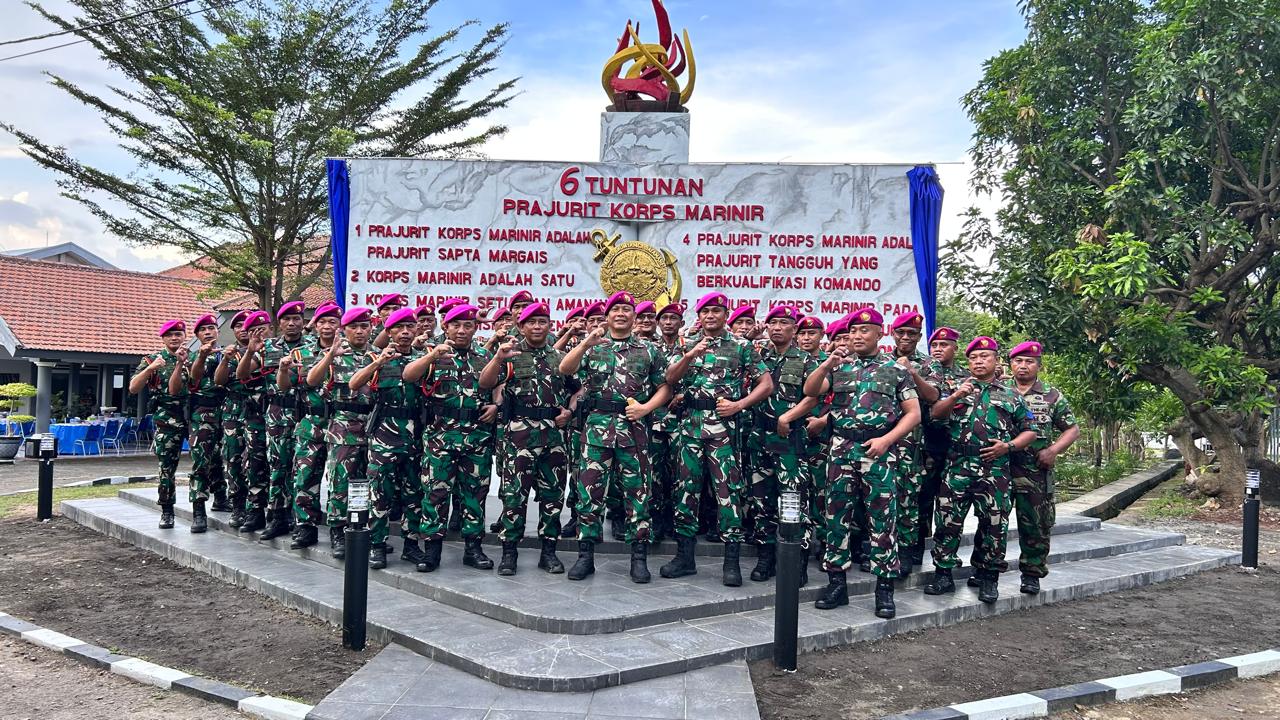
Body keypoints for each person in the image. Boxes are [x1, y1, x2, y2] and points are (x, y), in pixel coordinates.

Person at [804, 308, 921, 619]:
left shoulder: (895, 370)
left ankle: (884, 590)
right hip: (841, 449)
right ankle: (836, 585)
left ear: (880, 334)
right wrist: (827, 363)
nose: (857, 336)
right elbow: (810, 391)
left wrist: (887, 440)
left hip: (877, 451)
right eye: (853, 330)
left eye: (864, 330)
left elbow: (913, 414)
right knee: (836, 516)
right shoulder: (840, 367)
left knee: (882, 520)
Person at [557, 291, 672, 582]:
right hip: (596, 431)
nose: (621, 314)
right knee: (589, 495)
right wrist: (585, 342)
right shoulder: (593, 345)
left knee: (638, 495)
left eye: (626, 310)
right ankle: (585, 557)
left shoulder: (649, 350)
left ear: (634, 316)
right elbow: (564, 369)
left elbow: (665, 387)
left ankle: (639, 558)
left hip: (634, 432)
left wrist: (646, 408)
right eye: (615, 310)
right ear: (607, 317)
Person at [661, 291, 773, 587]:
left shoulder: (741, 346)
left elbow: (766, 384)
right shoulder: (686, 343)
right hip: (689, 427)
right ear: (698, 316)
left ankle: (731, 562)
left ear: (725, 315)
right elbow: (670, 378)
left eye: (716, 311)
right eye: (705, 311)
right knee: (685, 490)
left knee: (728, 492)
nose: (710, 316)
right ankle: (685, 558)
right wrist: (689, 355)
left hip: (723, 429)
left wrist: (740, 405)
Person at [924, 336, 1038, 604]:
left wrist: (1008, 446)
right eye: (973, 358)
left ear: (996, 361)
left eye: (984, 357)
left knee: (994, 525)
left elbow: (1030, 431)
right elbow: (935, 415)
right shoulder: (955, 388)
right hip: (957, 466)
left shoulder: (1010, 395)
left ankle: (988, 577)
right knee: (947, 522)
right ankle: (943, 574)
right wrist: (956, 395)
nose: (978, 362)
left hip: (994, 470)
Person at [480, 301, 574, 575]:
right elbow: (485, 383)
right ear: (521, 326)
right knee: (514, 497)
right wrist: (497, 359)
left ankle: (549, 553)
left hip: (553, 438)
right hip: (519, 437)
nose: (537, 326)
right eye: (531, 322)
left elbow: (578, 389)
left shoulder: (560, 358)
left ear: (550, 325)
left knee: (553, 497)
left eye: (542, 321)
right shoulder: (509, 353)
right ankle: (509, 553)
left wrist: (569, 411)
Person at [404, 303, 498, 572]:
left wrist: (496, 405)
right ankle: (432, 551)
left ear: (476, 328)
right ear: (445, 326)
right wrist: (431, 357)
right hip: (440, 438)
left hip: (476, 438)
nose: (462, 330)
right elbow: (408, 375)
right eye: (456, 325)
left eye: (468, 325)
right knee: (435, 494)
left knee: (475, 494)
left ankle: (473, 548)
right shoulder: (431, 352)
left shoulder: (484, 356)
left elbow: (499, 384)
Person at [350, 307, 429, 570]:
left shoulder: (424, 358)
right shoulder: (375, 356)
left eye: (410, 327)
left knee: (414, 493)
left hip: (416, 435)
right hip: (384, 436)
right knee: (380, 493)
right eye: (398, 328)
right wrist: (378, 363)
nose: (405, 332)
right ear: (389, 331)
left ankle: (411, 545)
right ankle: (377, 545)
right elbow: (354, 384)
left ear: (417, 329)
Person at [747, 306, 819, 585]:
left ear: (794, 329)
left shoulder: (806, 360)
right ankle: (765, 556)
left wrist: (787, 416)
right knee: (761, 500)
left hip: (790, 441)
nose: (777, 327)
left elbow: (813, 397)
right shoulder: (758, 356)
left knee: (792, 500)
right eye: (773, 323)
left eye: (784, 323)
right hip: (759, 439)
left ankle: (795, 561)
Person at [1002, 340, 1079, 594]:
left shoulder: (1051, 395)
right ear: (1011, 364)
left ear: (1039, 366)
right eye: (1018, 361)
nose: (1023, 366)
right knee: (993, 522)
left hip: (1035, 470)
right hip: (1000, 469)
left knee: (1036, 525)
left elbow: (1072, 429)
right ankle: (987, 571)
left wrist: (1053, 450)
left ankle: (1032, 574)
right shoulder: (999, 390)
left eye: (1029, 361)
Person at [306, 306, 377, 560]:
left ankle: (360, 529)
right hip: (343, 428)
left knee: (366, 483)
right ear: (344, 330)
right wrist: (329, 356)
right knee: (340, 482)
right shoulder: (334, 354)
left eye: (364, 326)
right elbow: (312, 380)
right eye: (353, 327)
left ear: (371, 329)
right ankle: (338, 530)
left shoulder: (377, 355)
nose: (359, 331)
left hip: (373, 427)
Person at [279, 300, 341, 550]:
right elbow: (285, 386)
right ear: (315, 326)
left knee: (340, 481)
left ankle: (338, 530)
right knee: (305, 477)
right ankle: (305, 527)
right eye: (322, 322)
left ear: (340, 325)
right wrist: (283, 371)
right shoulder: (300, 354)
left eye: (332, 322)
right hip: (311, 423)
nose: (327, 327)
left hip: (342, 424)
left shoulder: (353, 351)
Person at [248, 302, 311, 542]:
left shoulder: (312, 346)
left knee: (303, 470)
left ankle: (301, 519)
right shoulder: (268, 347)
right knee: (278, 467)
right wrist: (250, 352)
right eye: (287, 319)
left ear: (303, 322)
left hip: (305, 415)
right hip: (277, 414)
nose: (292, 323)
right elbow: (244, 373)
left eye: (297, 319)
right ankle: (278, 517)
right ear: (279, 323)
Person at [888, 311, 939, 575]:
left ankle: (907, 552)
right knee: (882, 498)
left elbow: (933, 396)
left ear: (919, 337)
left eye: (912, 333)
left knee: (909, 498)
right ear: (892, 334)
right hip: (885, 440)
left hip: (915, 444)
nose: (906, 337)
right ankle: (883, 549)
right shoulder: (882, 362)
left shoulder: (930, 364)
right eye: (901, 332)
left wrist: (912, 372)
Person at [130, 319, 190, 530]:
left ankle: (209, 504)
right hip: (167, 417)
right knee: (166, 467)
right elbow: (133, 388)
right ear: (163, 338)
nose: (174, 338)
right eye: (169, 335)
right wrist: (150, 369)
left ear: (185, 337)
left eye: (178, 334)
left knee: (206, 462)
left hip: (193, 415)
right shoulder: (152, 360)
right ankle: (167, 510)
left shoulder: (193, 358)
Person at [170, 313, 225, 533]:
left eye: (212, 328)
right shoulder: (190, 357)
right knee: (201, 462)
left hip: (227, 413)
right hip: (202, 413)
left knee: (222, 458)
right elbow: (193, 379)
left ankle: (221, 497)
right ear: (197, 335)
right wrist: (202, 356)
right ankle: (199, 511)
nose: (208, 332)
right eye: (203, 330)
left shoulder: (227, 354)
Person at [920, 327, 966, 546]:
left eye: (944, 345)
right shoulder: (922, 372)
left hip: (954, 445)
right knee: (922, 497)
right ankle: (920, 546)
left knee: (951, 501)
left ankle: (945, 547)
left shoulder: (967, 376)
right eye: (934, 345)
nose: (938, 349)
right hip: (926, 443)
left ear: (955, 348)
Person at [229, 311, 274, 533]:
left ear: (271, 329)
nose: (259, 334)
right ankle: (254, 510)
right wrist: (250, 351)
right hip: (255, 415)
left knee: (281, 466)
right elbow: (241, 374)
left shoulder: (281, 348)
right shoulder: (250, 353)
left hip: (283, 415)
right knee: (254, 462)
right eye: (253, 330)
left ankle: (280, 512)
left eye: (262, 329)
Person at [648, 302, 686, 541]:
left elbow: (703, 379)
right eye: (664, 318)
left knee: (680, 474)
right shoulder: (649, 348)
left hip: (682, 421)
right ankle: (656, 521)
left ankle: (676, 521)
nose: (669, 322)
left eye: (674, 318)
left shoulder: (690, 347)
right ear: (658, 323)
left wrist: (684, 394)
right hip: (654, 419)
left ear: (682, 323)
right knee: (653, 473)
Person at [214, 310, 252, 528]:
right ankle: (238, 506)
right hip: (234, 411)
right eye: (238, 326)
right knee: (233, 459)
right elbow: (219, 381)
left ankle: (258, 507)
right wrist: (226, 360)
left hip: (260, 410)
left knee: (259, 462)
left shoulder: (268, 350)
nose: (243, 329)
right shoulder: (228, 353)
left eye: (247, 325)